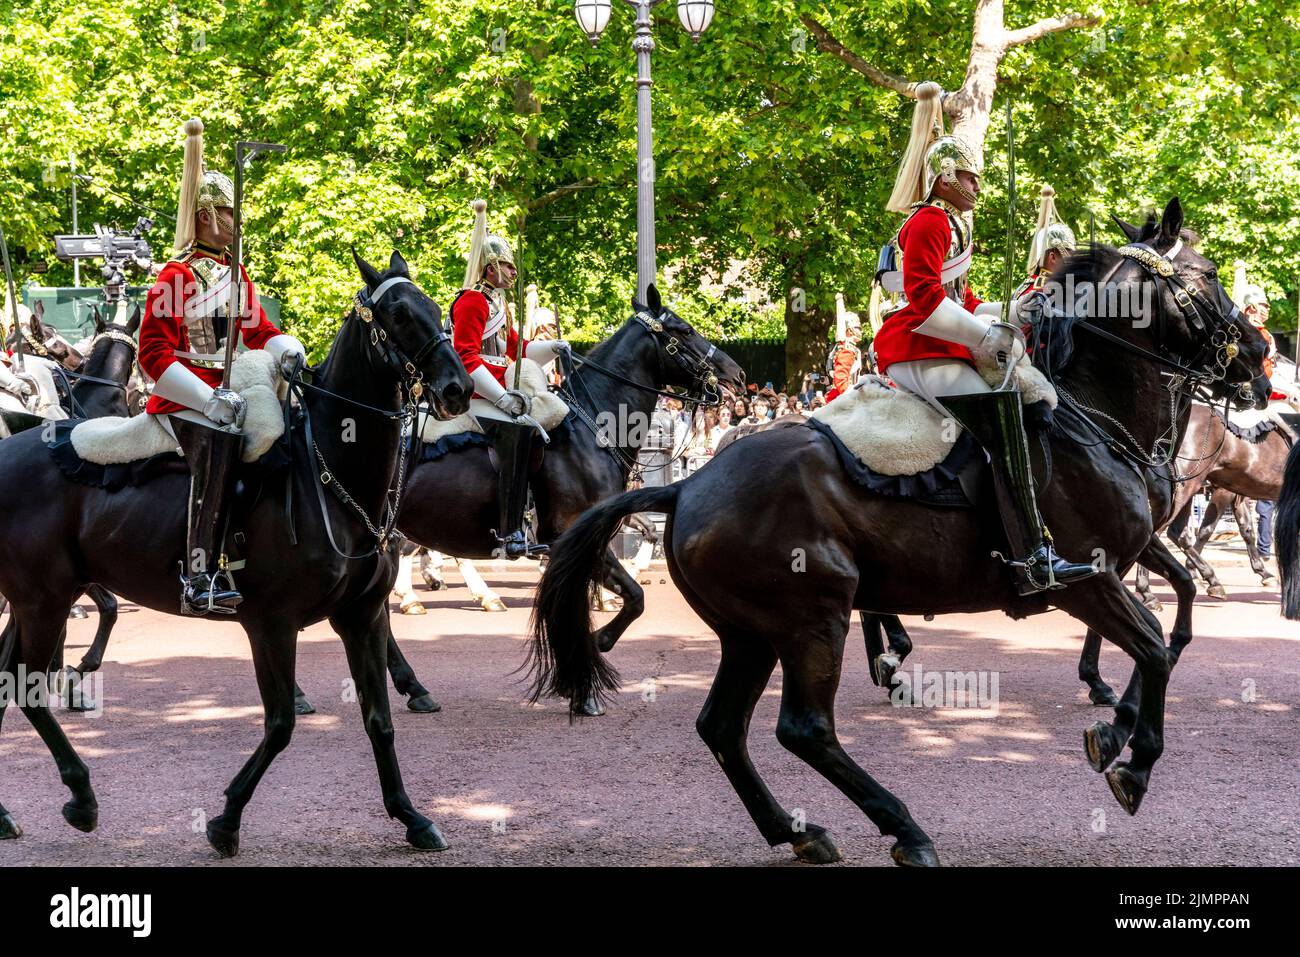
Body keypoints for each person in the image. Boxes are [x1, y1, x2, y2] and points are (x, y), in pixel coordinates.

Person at [872, 82, 1096, 596]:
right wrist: (986, 334)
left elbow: (966, 300)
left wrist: (1015, 312)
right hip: (919, 345)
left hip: (939, 342)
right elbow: (926, 298)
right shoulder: (929, 220)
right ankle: (1030, 554)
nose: (977, 185)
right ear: (946, 177)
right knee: (1000, 423)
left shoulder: (954, 224)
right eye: (971, 176)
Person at [137, 118, 305, 616]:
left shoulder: (235, 272)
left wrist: (285, 348)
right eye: (229, 212)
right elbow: (153, 354)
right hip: (185, 395)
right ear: (207, 215)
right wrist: (207, 398)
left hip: (232, 386)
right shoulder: (175, 274)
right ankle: (199, 572)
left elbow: (255, 332)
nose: (235, 221)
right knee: (219, 443)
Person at [450, 199, 569, 558]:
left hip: (501, 389)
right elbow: (465, 356)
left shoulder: (500, 304)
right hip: (477, 393)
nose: (513, 272)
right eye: (506, 265)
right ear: (488, 269)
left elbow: (517, 349)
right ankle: (510, 529)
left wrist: (554, 348)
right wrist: (500, 396)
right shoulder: (472, 302)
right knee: (518, 434)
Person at [826, 294, 863, 402]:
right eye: (858, 328)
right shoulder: (847, 350)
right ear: (849, 330)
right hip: (844, 399)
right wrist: (851, 399)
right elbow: (841, 379)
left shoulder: (850, 348)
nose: (861, 331)